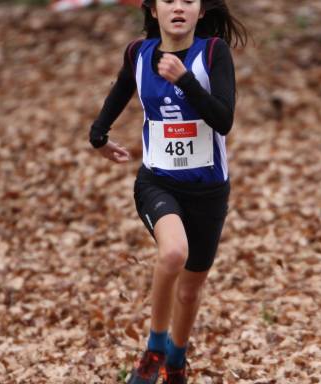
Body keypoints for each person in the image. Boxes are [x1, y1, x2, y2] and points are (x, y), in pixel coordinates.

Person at [89, 0, 247, 382]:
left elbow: (223, 120)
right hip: (157, 182)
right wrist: (99, 135)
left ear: (202, 12)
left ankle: (176, 360)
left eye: (188, 1)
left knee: (190, 291)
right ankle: (154, 350)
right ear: (153, 10)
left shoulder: (212, 53)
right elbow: (122, 88)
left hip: (208, 190)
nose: (179, 7)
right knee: (174, 252)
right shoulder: (138, 53)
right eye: (169, 0)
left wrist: (185, 80)